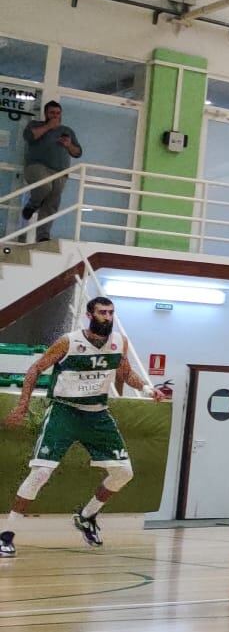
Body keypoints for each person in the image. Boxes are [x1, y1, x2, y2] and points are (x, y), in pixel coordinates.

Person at [1, 295, 169, 557]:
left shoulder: (118, 342)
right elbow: (35, 369)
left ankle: (87, 515)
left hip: (97, 415)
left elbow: (125, 372)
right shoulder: (69, 341)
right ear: (90, 316)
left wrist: (149, 389)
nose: (108, 318)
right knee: (40, 473)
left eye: (112, 313)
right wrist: (22, 406)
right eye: (103, 313)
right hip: (64, 412)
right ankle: (7, 534)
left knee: (124, 472)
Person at [19, 100, 80, 242]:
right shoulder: (35, 125)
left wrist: (69, 145)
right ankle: (33, 204)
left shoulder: (67, 131)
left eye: (58, 113)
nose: (55, 116)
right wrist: (48, 127)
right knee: (44, 186)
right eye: (52, 113)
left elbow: (77, 153)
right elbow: (29, 136)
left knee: (51, 203)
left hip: (60, 172)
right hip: (37, 166)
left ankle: (43, 236)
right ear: (46, 113)